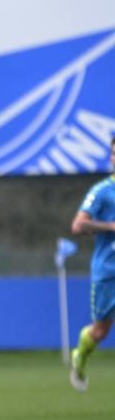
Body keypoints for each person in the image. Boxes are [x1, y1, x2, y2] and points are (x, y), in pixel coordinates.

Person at [69, 136, 115, 392]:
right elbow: (78, 225)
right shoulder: (102, 192)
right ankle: (81, 356)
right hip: (109, 272)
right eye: (114, 153)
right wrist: (110, 226)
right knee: (100, 332)